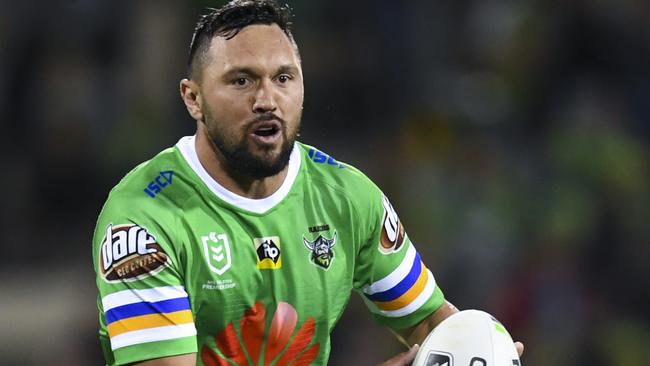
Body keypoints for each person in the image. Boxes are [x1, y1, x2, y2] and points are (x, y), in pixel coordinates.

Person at [92, 1, 523, 365]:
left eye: (283, 78)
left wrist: (480, 347)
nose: (266, 100)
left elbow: (429, 323)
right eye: (241, 80)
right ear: (193, 98)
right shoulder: (142, 221)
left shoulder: (347, 199)